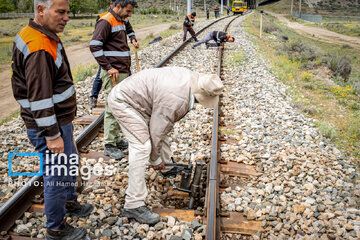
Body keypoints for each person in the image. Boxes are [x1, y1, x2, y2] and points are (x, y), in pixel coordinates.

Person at [11, 0, 93, 239]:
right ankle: (56, 230)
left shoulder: (40, 35)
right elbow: (39, 99)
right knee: (56, 173)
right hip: (50, 125)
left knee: (67, 163)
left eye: (67, 12)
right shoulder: (38, 47)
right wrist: (53, 135)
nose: (67, 17)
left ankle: (68, 202)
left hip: (58, 121)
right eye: (61, 12)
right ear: (40, 10)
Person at [107, 67, 224, 224]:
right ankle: (133, 204)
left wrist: (162, 160)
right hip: (124, 102)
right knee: (142, 147)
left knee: (161, 129)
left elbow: (162, 126)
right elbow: (157, 131)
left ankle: (167, 170)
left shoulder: (190, 79)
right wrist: (155, 160)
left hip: (138, 100)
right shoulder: (176, 99)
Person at [90, 0, 139, 160]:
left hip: (122, 69)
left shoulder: (121, 19)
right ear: (118, 6)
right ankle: (109, 144)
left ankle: (116, 139)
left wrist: (132, 38)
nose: (129, 15)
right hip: (114, 72)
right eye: (128, 11)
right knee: (113, 107)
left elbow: (129, 27)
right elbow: (94, 45)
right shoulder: (106, 21)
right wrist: (108, 67)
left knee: (121, 105)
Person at [89, 0, 116, 108]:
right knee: (100, 76)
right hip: (105, 54)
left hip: (115, 54)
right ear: (111, 4)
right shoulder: (103, 17)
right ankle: (93, 97)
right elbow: (98, 37)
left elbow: (128, 29)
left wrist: (133, 38)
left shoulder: (122, 17)